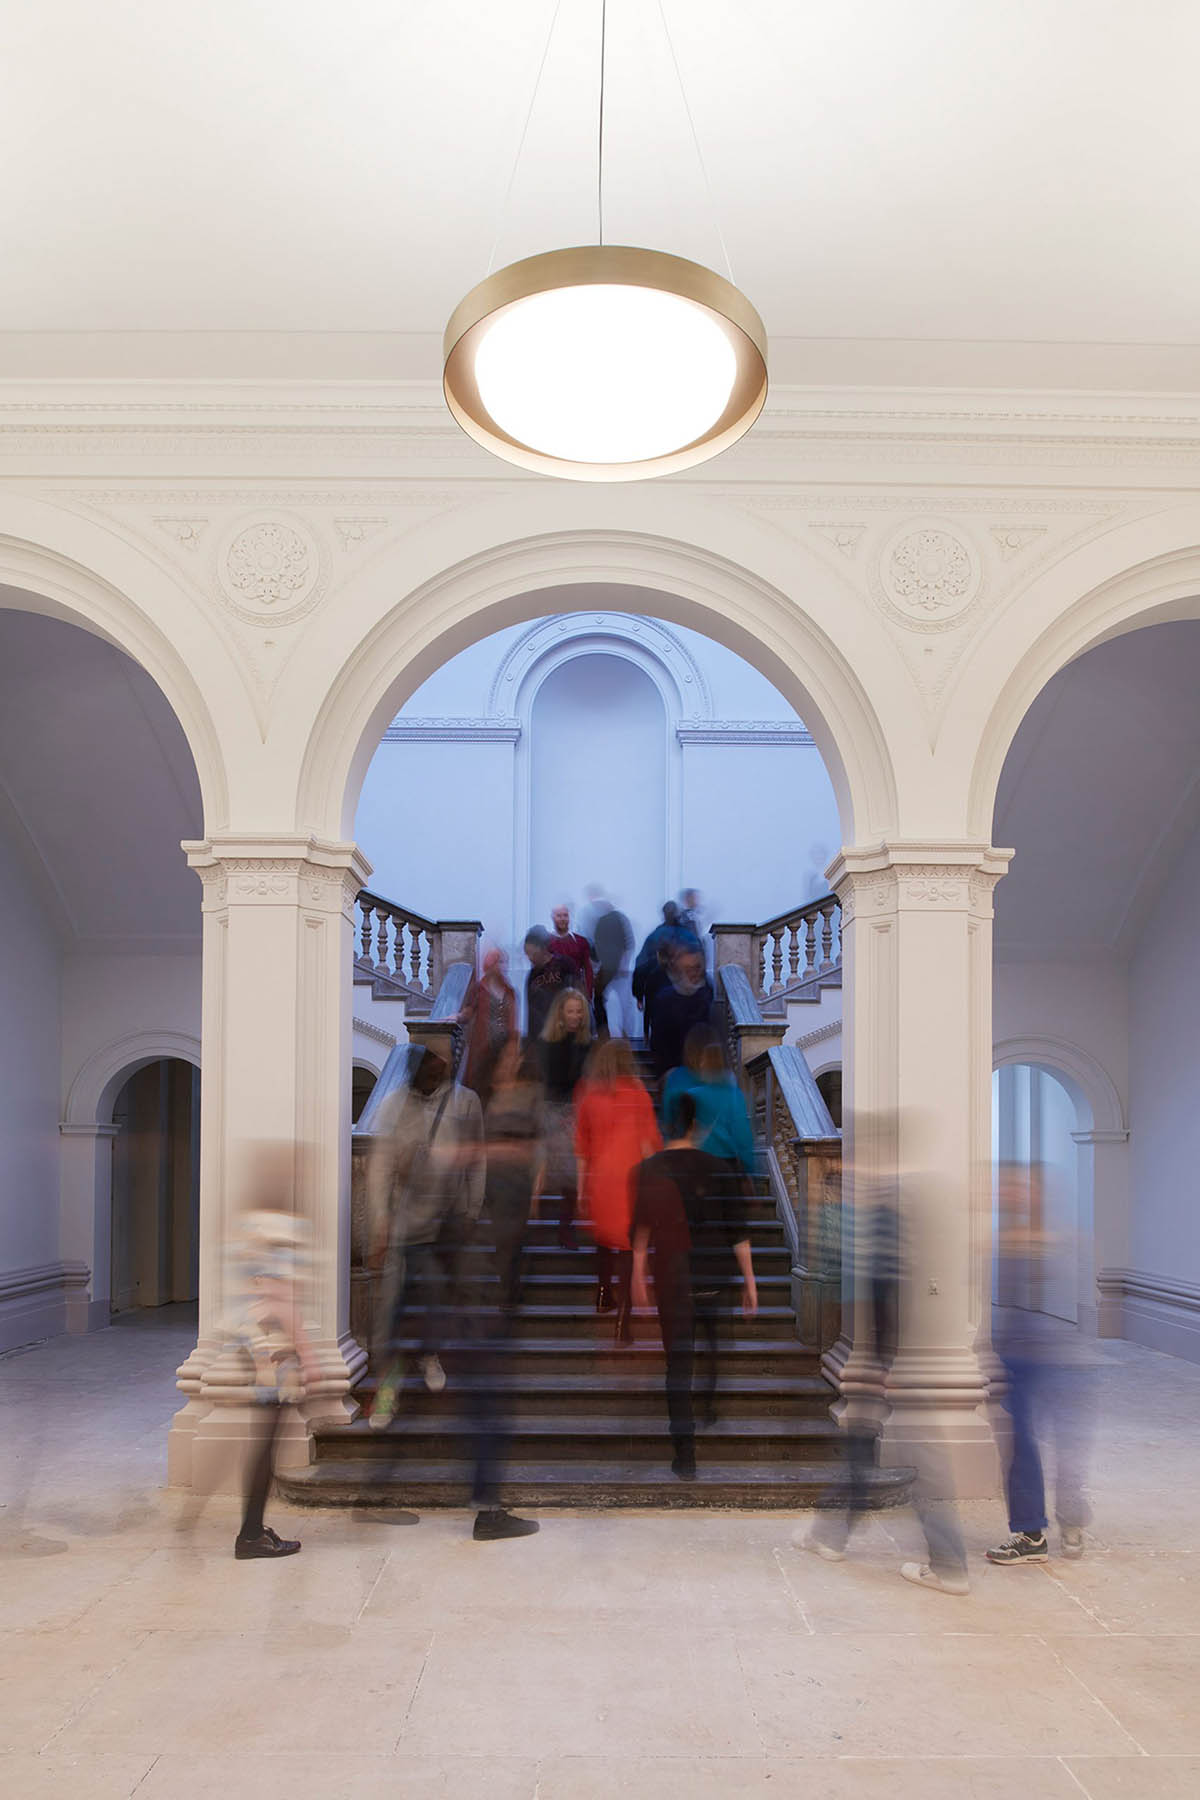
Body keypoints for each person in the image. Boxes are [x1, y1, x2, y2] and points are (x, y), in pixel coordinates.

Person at [631, 1092, 758, 1478]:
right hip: (716, 1274)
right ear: (697, 1127)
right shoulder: (720, 1168)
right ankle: (710, 1404)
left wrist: (639, 1276)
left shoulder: (648, 1170)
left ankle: (684, 1455)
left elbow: (641, 1231)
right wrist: (750, 1281)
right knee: (715, 1340)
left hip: (674, 1278)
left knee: (678, 1366)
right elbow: (738, 1231)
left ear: (666, 1126)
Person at [366, 1047, 484, 1424]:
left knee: (436, 1302)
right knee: (393, 1314)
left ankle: (429, 1353)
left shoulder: (465, 1101)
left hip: (446, 1224)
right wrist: (380, 1223)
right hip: (404, 1230)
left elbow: (475, 1157)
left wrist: (472, 1208)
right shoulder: (394, 1105)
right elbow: (380, 1167)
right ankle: (388, 1390)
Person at [985, 1163, 1095, 1566]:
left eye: (1019, 1187)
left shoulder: (1063, 1240)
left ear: (1038, 1193)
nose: (1010, 1194)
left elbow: (1079, 1302)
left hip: (1065, 1358)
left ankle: (1072, 1521)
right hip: (1019, 1361)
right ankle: (1030, 1534)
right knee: (1023, 1448)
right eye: (1006, 1187)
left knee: (1068, 1447)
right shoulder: (1002, 1241)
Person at [225, 1172, 318, 1560]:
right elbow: (282, 1297)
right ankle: (250, 1536)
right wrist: (308, 1353)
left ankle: (252, 1528)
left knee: (263, 1440)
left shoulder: (249, 1228)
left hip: (250, 1342)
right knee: (266, 1443)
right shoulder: (287, 1230)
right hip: (274, 1347)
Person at [574, 1037, 660, 1342]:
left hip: (600, 1179)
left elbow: (581, 1150)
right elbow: (650, 1145)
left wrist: (582, 1191)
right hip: (631, 1179)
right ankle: (623, 1322)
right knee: (626, 1246)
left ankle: (601, 1294)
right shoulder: (638, 1095)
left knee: (603, 1238)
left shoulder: (589, 1097)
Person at [484, 1041, 545, 1313]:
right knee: (500, 1236)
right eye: (508, 1054)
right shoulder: (489, 1093)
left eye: (516, 1054)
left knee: (515, 1236)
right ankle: (506, 1285)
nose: (513, 1059)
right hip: (494, 1178)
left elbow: (539, 1142)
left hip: (520, 1176)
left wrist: (537, 1187)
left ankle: (509, 1290)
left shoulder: (530, 1093)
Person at [660, 1024, 755, 1181]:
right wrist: (749, 1170)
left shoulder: (677, 1080)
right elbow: (742, 1133)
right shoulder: (732, 1092)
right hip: (725, 1163)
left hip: (689, 1161)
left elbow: (668, 1124)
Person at [537, 987, 593, 1249]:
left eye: (579, 1011)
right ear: (560, 1012)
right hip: (552, 1109)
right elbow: (547, 1081)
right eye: (570, 1011)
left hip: (577, 1110)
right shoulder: (547, 1044)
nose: (575, 1016)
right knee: (559, 1171)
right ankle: (550, 1219)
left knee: (572, 1173)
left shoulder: (587, 1045)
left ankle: (565, 1226)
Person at [459, 946, 517, 1109]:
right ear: (490, 964)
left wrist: (513, 1045)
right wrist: (457, 1017)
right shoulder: (479, 988)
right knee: (480, 1085)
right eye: (499, 962)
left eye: (504, 962)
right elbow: (469, 1010)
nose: (503, 966)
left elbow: (513, 1018)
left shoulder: (510, 991)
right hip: (483, 1045)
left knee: (502, 1084)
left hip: (503, 1046)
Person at [649, 947, 714, 1082]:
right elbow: (658, 1042)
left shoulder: (708, 993)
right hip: (674, 1073)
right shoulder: (664, 1000)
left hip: (703, 1073)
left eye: (697, 968)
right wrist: (664, 1072)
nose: (694, 973)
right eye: (689, 969)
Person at [523, 925, 577, 1041]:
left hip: (565, 1034)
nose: (530, 958)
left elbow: (577, 997)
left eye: (532, 953)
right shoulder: (532, 976)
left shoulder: (565, 965)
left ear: (542, 948)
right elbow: (531, 1012)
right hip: (542, 1037)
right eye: (527, 954)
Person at [593, 899, 636, 1039]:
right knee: (622, 1005)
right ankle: (621, 1035)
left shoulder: (603, 921)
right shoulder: (619, 919)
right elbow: (629, 941)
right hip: (616, 967)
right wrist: (624, 963)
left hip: (608, 966)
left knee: (601, 999)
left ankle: (604, 1034)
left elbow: (597, 945)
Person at [547, 903, 595, 1004]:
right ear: (552, 917)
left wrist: (588, 994)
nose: (562, 919)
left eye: (565, 915)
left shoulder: (581, 942)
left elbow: (588, 969)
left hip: (576, 994)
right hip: (553, 996)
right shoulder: (546, 942)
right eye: (559, 916)